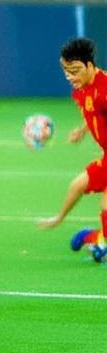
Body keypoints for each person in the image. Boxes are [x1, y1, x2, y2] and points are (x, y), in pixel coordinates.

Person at [38, 37, 107, 261]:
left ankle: (95, 240)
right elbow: (94, 112)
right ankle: (63, 221)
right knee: (77, 185)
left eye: (75, 71)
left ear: (90, 65)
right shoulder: (80, 90)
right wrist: (83, 130)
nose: (70, 76)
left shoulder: (104, 90)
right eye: (66, 71)